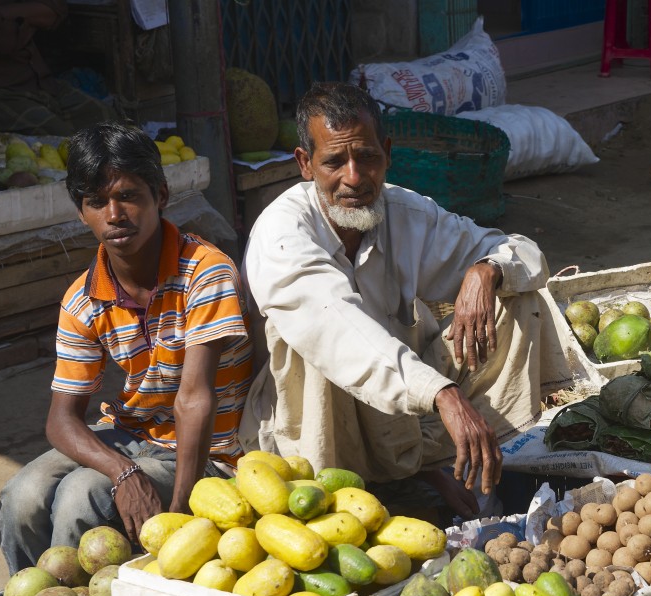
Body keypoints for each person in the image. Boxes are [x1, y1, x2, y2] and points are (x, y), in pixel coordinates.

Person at [241, 82, 582, 519]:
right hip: (318, 424)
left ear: (386, 151)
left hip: (400, 415)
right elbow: (339, 330)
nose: (354, 177)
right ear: (305, 164)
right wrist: (442, 394)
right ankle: (370, 483)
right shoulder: (282, 233)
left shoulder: (406, 213)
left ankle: (444, 461)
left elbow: (525, 253)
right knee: (323, 350)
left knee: (515, 296)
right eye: (334, 162)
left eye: (366, 157)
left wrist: (485, 271)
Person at [0, 123, 253, 573]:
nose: (115, 214)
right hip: (129, 436)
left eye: (129, 196)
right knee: (24, 494)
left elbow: (194, 399)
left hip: (209, 453)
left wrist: (180, 515)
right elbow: (62, 419)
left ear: (161, 194)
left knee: (81, 498)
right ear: (81, 211)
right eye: (97, 202)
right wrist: (122, 470)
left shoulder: (205, 272)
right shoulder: (82, 298)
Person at [0, 0, 116, 135]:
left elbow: (56, 9)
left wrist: (7, 14)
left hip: (42, 84)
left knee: (108, 120)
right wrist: (32, 17)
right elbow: (3, 39)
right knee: (60, 138)